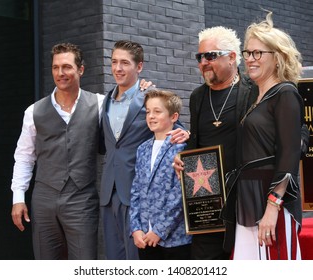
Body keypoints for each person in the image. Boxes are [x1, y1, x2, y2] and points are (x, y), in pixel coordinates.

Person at [221, 11, 304, 260]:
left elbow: (289, 153)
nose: (250, 59)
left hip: (271, 201)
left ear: (277, 58)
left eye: (258, 53)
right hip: (247, 199)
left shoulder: (285, 94)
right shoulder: (254, 97)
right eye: (247, 53)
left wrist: (273, 206)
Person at [10, 43, 104, 259]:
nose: (60, 73)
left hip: (82, 199)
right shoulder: (34, 111)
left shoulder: (99, 105)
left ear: (81, 69)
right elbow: (24, 157)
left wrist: (141, 90)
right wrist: (18, 197)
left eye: (67, 67)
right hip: (44, 199)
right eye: (55, 67)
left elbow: (130, 120)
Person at [99, 40, 189, 260]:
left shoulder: (149, 97)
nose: (118, 68)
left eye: (124, 63)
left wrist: (187, 135)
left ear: (139, 67)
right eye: (114, 62)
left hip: (137, 193)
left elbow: (175, 128)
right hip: (108, 192)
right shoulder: (105, 101)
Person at [173, 26, 257, 260]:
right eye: (200, 57)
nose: (203, 62)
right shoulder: (197, 97)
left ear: (231, 57)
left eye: (210, 56)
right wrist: (183, 157)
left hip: (245, 201)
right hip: (206, 202)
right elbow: (198, 142)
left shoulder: (253, 91)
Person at [130, 89, 192, 260]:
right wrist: (135, 228)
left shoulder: (182, 148)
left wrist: (159, 230)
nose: (151, 116)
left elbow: (180, 195)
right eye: (148, 112)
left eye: (157, 111)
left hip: (175, 240)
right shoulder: (142, 149)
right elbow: (136, 190)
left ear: (174, 117)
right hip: (144, 237)